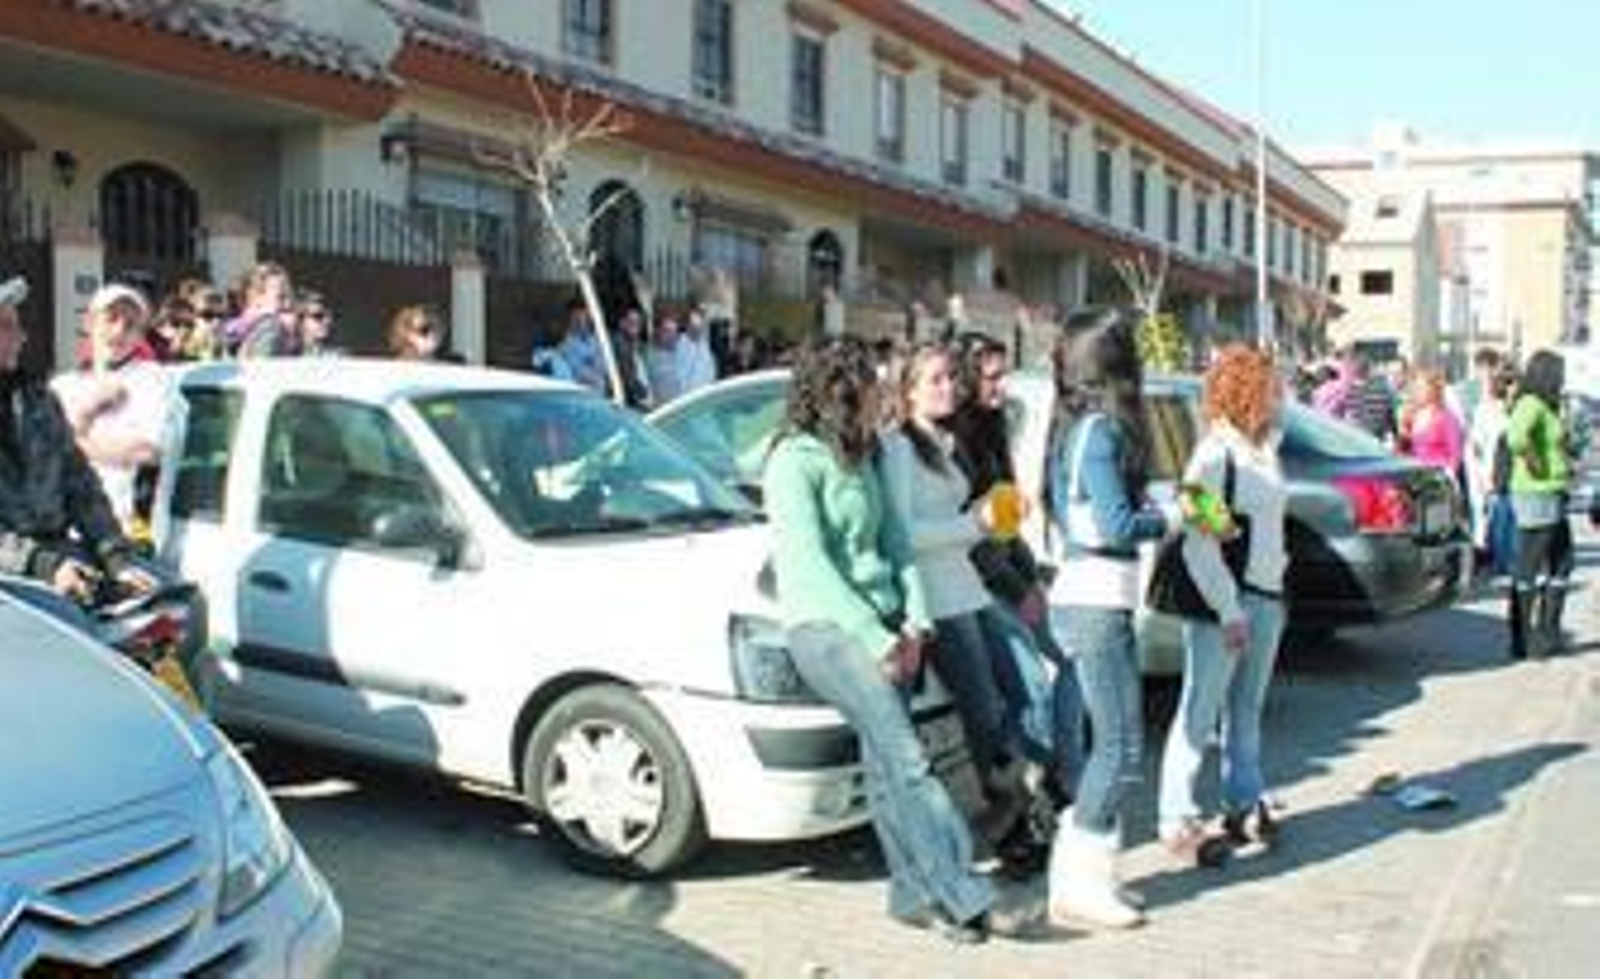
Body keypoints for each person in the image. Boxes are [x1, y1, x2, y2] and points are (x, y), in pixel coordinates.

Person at [763, 337, 1027, 945]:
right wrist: (875, 639)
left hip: (886, 625)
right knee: (909, 760)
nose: (880, 400)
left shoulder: (863, 455)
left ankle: (912, 893)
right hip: (828, 631)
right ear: (835, 394)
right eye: (870, 390)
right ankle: (966, 894)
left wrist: (912, 623)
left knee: (887, 767)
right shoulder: (792, 462)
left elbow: (897, 545)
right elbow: (810, 568)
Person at [1041, 306, 1178, 929]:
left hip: (1094, 597)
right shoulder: (1098, 432)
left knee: (1116, 745)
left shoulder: (1081, 428)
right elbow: (1114, 524)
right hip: (1094, 600)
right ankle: (1078, 888)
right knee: (1121, 749)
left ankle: (1087, 880)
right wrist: (1173, 519)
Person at [879, 341, 1032, 850]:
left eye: (950, 378)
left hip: (966, 588)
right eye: (936, 380)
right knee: (984, 709)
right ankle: (1007, 816)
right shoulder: (900, 447)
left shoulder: (941, 442)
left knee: (1016, 694)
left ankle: (1015, 805)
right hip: (939, 598)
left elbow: (957, 516)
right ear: (908, 392)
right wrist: (974, 522)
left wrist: (993, 511)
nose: (950, 387)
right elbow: (904, 533)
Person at [1157, 343, 1290, 867]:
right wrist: (1228, 608)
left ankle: (1242, 801)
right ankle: (1176, 815)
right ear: (1250, 393)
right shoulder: (1213, 455)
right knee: (1200, 709)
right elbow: (1198, 540)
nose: (1281, 397)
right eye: (1272, 387)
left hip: (1268, 596)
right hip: (1228, 603)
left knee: (1247, 709)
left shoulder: (1265, 448)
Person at [947, 332, 1075, 873]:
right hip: (971, 583)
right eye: (991, 376)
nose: (1002, 386)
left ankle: (1060, 786)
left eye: (1003, 374)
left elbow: (1004, 522)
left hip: (1006, 573)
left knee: (1069, 660)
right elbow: (972, 535)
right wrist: (1020, 589)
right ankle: (1023, 811)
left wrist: (1032, 577)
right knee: (1030, 685)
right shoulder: (952, 440)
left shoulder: (994, 427)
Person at [0, 276, 153, 611]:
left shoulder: (38, 400)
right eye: (6, 327)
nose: (21, 337)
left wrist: (115, 557)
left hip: (58, 560)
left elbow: (79, 483)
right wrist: (43, 565)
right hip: (12, 585)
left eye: (17, 326)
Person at [51, 283, 178, 532]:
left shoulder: (151, 379)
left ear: (140, 335)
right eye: (111, 318)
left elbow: (146, 454)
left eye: (131, 325)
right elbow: (43, 459)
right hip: (64, 531)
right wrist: (90, 409)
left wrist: (72, 439)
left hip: (122, 530)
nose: (119, 330)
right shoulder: (62, 386)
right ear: (89, 323)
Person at [1505, 350, 1574, 659]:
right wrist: (1535, 463)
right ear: (1547, 374)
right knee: (1530, 565)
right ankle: (1524, 640)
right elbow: (1516, 437)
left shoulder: (1546, 405)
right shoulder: (1530, 403)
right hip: (1537, 492)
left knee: (1562, 562)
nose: (1563, 378)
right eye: (1559, 373)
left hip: (1553, 490)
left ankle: (1547, 633)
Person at [1467, 358, 1516, 575]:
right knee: (1498, 517)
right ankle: (1499, 561)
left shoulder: (1514, 409)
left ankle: (1505, 560)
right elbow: (1476, 446)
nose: (1511, 386)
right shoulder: (1485, 409)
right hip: (1492, 472)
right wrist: (1481, 476)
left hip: (1509, 473)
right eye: (1507, 382)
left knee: (1507, 518)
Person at [1399, 369, 1465, 480]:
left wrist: (1447, 477)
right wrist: (1404, 432)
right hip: (1418, 475)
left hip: (1439, 477)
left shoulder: (1446, 417)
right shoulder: (1415, 415)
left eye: (1421, 388)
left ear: (1433, 390)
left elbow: (1455, 453)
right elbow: (1409, 449)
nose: (1417, 392)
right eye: (1416, 388)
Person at [225, 261, 297, 358]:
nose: (288, 304)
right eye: (281, 297)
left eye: (290, 296)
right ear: (255, 299)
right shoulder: (269, 329)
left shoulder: (289, 330)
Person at [386, 305, 458, 362]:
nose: (433, 335)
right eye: (425, 330)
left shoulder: (445, 368)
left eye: (436, 329)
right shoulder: (392, 371)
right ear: (407, 334)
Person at [645, 315, 684, 405]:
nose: (672, 336)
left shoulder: (681, 354)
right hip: (662, 411)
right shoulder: (648, 356)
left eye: (674, 332)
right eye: (667, 331)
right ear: (658, 331)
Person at [294, 290, 340, 357]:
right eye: (318, 316)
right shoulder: (286, 355)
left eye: (330, 316)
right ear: (301, 320)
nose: (327, 321)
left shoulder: (337, 357)